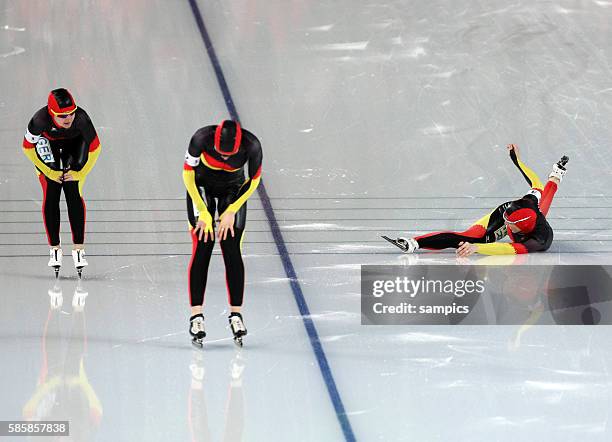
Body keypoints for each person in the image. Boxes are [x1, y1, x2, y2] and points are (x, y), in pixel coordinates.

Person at [385, 144, 568, 256]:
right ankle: (413, 243)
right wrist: (517, 160)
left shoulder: (539, 240)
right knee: (470, 237)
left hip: (533, 224)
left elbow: (507, 250)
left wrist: (478, 249)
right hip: (512, 209)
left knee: (544, 205)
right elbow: (535, 182)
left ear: (521, 226)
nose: (506, 224)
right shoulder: (528, 202)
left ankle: (557, 174)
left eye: (510, 223)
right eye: (507, 219)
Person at [182, 120, 262, 346]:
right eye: (221, 154)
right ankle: (196, 316)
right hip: (202, 189)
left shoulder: (252, 145)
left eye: (230, 155)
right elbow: (188, 175)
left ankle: (236, 315)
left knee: (231, 248)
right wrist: (203, 212)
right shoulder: (201, 137)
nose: (225, 158)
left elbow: (254, 181)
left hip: (233, 191)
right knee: (203, 245)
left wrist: (232, 210)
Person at [22, 88, 101, 277]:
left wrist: (80, 173)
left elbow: (96, 148)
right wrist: (48, 171)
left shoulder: (81, 118)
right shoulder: (39, 120)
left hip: (76, 144)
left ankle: (79, 249)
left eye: (71, 112)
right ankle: (55, 248)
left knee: (73, 190)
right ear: (51, 114)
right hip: (47, 144)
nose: (69, 118)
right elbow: (27, 148)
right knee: (52, 192)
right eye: (62, 115)